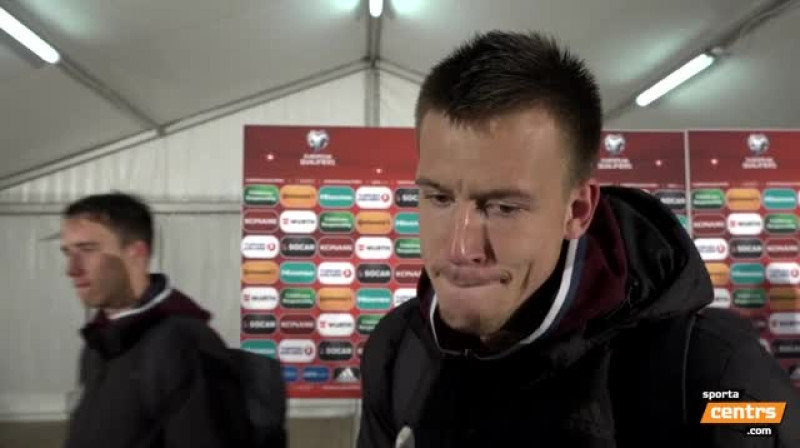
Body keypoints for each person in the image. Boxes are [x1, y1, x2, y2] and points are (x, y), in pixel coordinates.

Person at [358, 31, 800, 447]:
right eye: (438, 197)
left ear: (576, 211)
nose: (461, 249)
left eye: (504, 207)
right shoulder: (397, 352)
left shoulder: (717, 374)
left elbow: (761, 422)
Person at [60, 192, 253, 448]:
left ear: (136, 253)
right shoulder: (98, 341)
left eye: (87, 250)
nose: (71, 269)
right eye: (68, 252)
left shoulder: (186, 345)